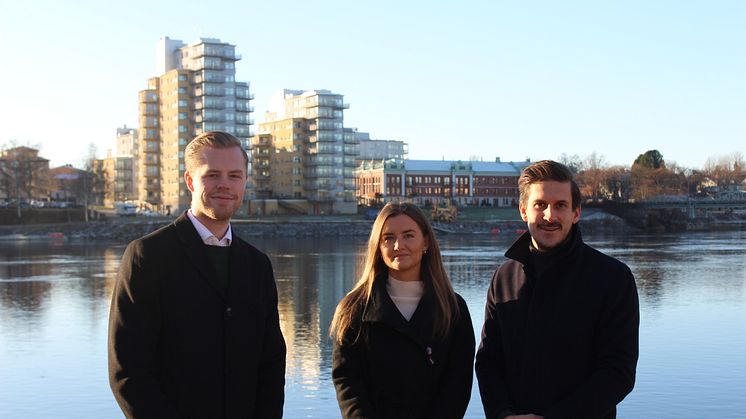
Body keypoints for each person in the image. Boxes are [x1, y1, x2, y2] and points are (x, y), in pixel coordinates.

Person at [108, 131, 286, 418]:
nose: (224, 185)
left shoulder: (258, 265)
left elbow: (271, 363)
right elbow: (129, 371)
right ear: (190, 180)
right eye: (212, 174)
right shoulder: (147, 257)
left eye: (234, 175)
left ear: (245, 181)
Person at [475, 160, 639, 419]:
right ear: (523, 211)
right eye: (540, 205)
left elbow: (618, 372)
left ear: (576, 213)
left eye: (560, 205)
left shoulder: (613, 279)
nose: (550, 216)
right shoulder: (504, 278)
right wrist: (502, 414)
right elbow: (488, 362)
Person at [330, 202, 475, 419]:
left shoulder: (453, 309)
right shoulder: (353, 309)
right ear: (378, 247)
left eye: (408, 235)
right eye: (388, 238)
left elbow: (457, 386)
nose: (398, 245)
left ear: (425, 241)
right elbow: (348, 385)